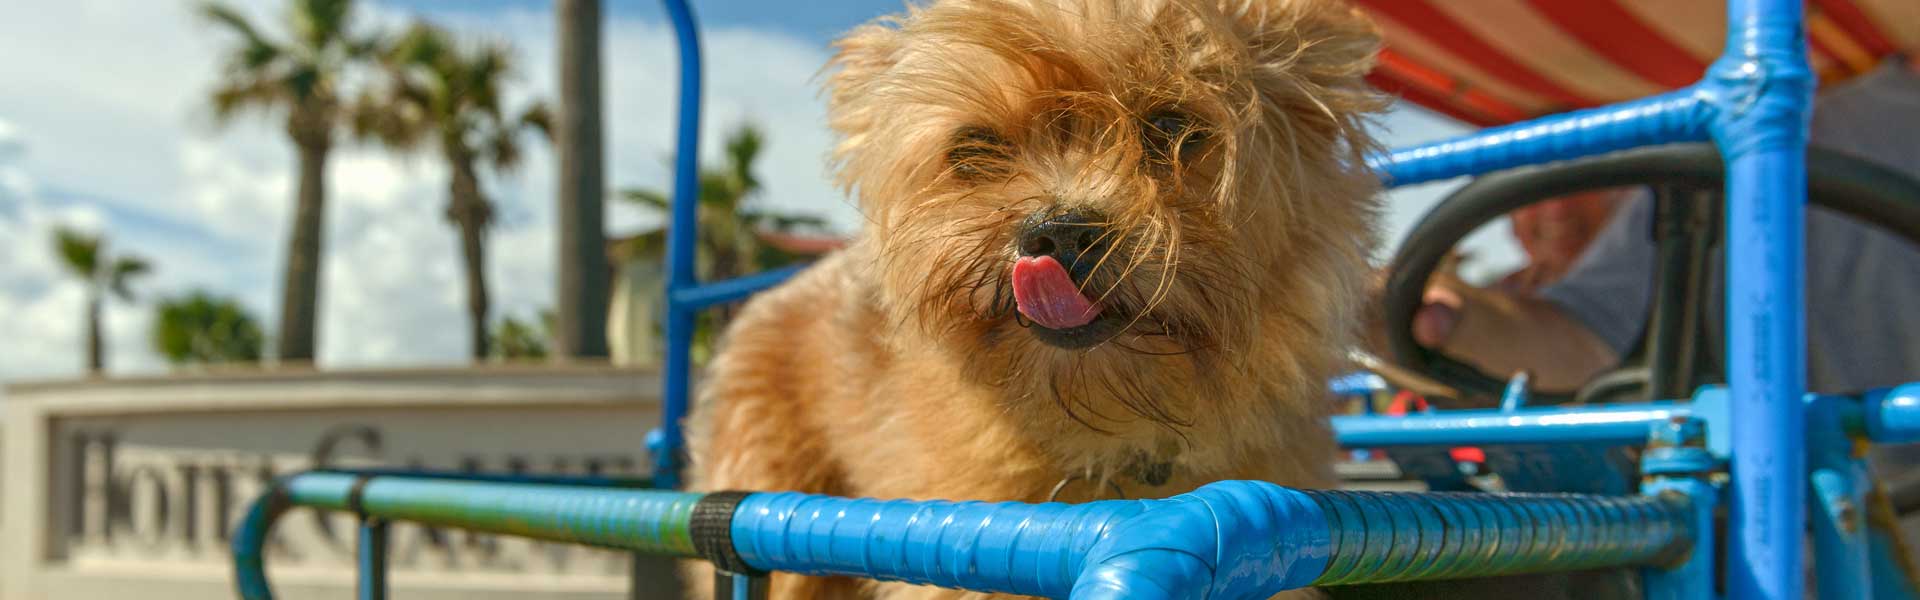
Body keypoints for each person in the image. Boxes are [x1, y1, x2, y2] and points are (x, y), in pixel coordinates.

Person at [1409, 55, 1920, 396]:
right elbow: (1577, 340)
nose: (1558, 209)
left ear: (1627, 179)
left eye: (1584, 177)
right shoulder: (1720, 174)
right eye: (1529, 188)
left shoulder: (1717, 177)